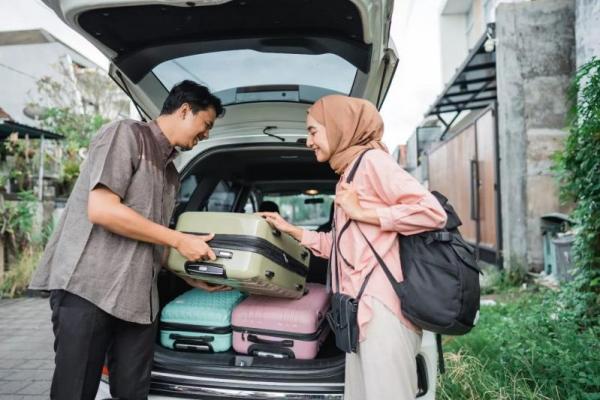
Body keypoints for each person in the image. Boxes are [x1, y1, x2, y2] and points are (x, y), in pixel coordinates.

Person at [29, 80, 230, 400]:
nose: (206, 134)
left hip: (137, 301)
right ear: (184, 110)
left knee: (133, 393)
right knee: (74, 391)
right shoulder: (125, 135)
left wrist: (187, 275)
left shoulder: (171, 175)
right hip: (89, 290)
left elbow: (150, 239)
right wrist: (179, 239)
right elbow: (103, 210)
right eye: (205, 125)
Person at [258, 94, 447, 400]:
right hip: (358, 316)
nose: (309, 142)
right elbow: (342, 246)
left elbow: (432, 212)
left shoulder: (372, 162)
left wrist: (363, 213)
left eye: (313, 131)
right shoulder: (349, 172)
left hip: (383, 315)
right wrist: (291, 230)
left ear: (338, 127)